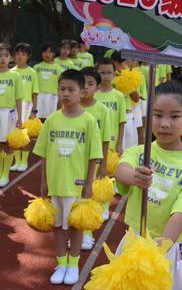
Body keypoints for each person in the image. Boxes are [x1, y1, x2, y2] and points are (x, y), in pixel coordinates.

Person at [115, 80, 182, 290]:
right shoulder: (141, 151)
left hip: (173, 247)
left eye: (174, 116)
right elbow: (121, 170)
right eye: (157, 115)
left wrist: (157, 253)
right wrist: (134, 177)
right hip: (137, 241)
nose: (165, 123)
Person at [33, 69, 103, 285]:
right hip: (55, 183)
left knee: (76, 226)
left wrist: (89, 183)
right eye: (62, 89)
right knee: (57, 227)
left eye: (71, 89)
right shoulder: (52, 120)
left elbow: (94, 156)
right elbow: (43, 153)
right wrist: (44, 181)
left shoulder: (89, 121)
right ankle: (61, 263)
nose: (66, 93)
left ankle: (73, 265)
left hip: (77, 185)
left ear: (82, 92)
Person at [80, 67, 112, 232]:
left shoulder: (102, 110)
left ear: (97, 88)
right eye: (83, 83)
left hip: (94, 159)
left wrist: (104, 164)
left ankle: (87, 232)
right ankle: (76, 227)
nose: (85, 87)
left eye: (90, 84)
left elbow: (106, 139)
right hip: (74, 159)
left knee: (89, 193)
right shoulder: (71, 107)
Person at [11, 42, 39, 172]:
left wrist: (34, 111)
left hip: (27, 106)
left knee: (25, 134)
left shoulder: (32, 72)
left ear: (28, 56)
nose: (19, 56)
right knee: (14, 133)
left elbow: (35, 93)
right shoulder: (11, 72)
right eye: (17, 54)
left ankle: (24, 161)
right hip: (13, 106)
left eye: (23, 54)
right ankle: (17, 161)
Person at [0, 43, 23, 187]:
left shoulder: (15, 76)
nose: (2, 59)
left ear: (10, 58)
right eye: (0, 56)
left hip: (8, 113)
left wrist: (20, 117)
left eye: (5, 56)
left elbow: (19, 98)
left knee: (8, 144)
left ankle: (5, 174)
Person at [95, 57, 127, 156]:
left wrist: (120, 144)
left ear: (114, 73)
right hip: (95, 138)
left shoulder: (119, 96)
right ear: (97, 73)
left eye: (109, 73)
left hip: (112, 140)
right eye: (102, 73)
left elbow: (121, 122)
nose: (106, 76)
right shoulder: (93, 94)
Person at [34, 43, 63, 121]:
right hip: (38, 96)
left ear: (54, 54)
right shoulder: (36, 67)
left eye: (50, 52)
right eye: (45, 52)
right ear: (41, 53)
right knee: (37, 119)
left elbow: (61, 86)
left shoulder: (59, 69)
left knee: (50, 119)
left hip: (53, 97)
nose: (47, 54)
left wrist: (60, 102)